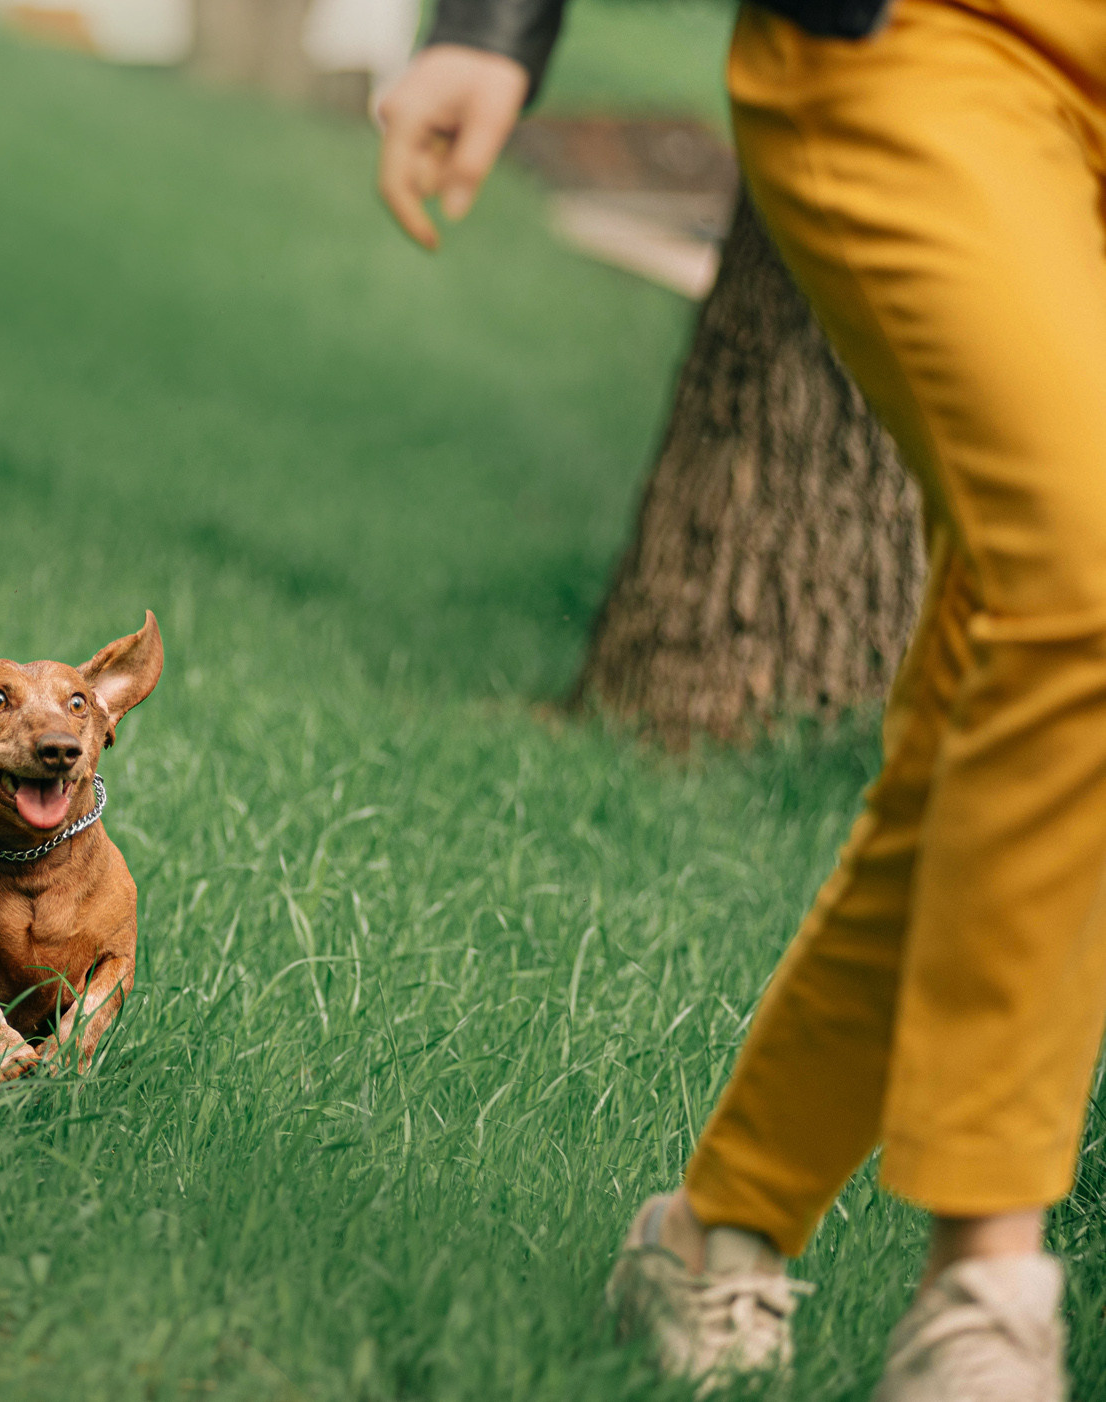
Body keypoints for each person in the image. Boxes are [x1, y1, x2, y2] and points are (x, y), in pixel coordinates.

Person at [372, 1, 1106, 1398]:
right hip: (923, 45)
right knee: (1086, 581)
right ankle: (986, 1292)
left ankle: (718, 1232)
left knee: (998, 689)